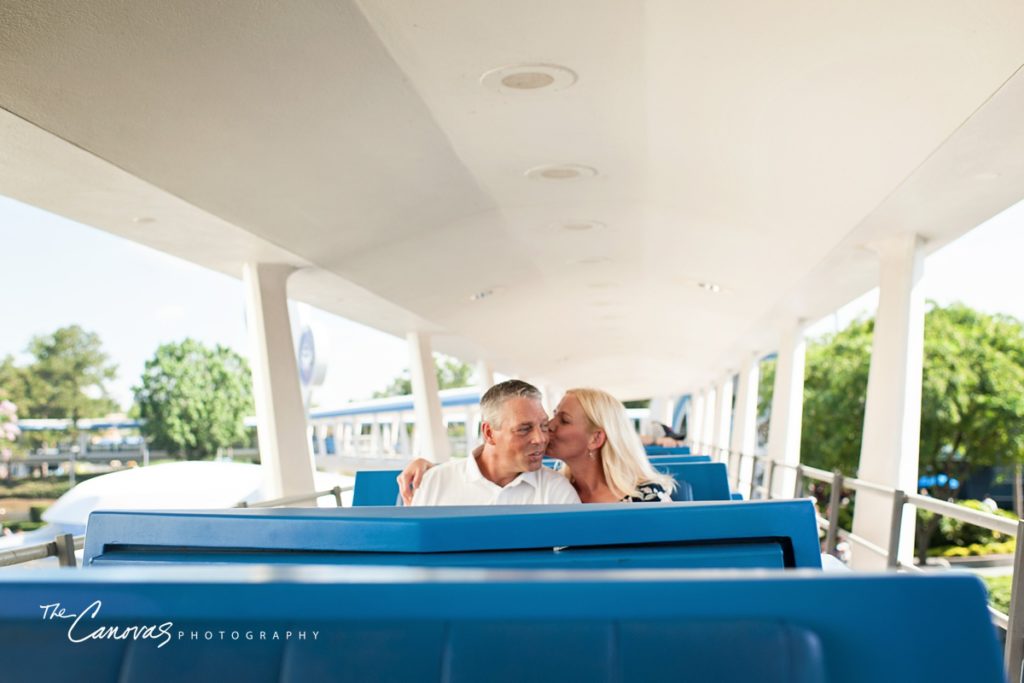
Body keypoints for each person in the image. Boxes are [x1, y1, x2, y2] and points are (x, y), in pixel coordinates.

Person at [399, 386, 673, 504]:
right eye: (551, 416)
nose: (547, 430)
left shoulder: (647, 498)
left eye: (562, 420)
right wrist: (437, 472)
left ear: (596, 439)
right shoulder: (565, 488)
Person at [409, 380, 580, 506]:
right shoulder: (434, 481)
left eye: (543, 426)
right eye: (524, 429)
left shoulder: (556, 489)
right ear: (489, 433)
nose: (541, 438)